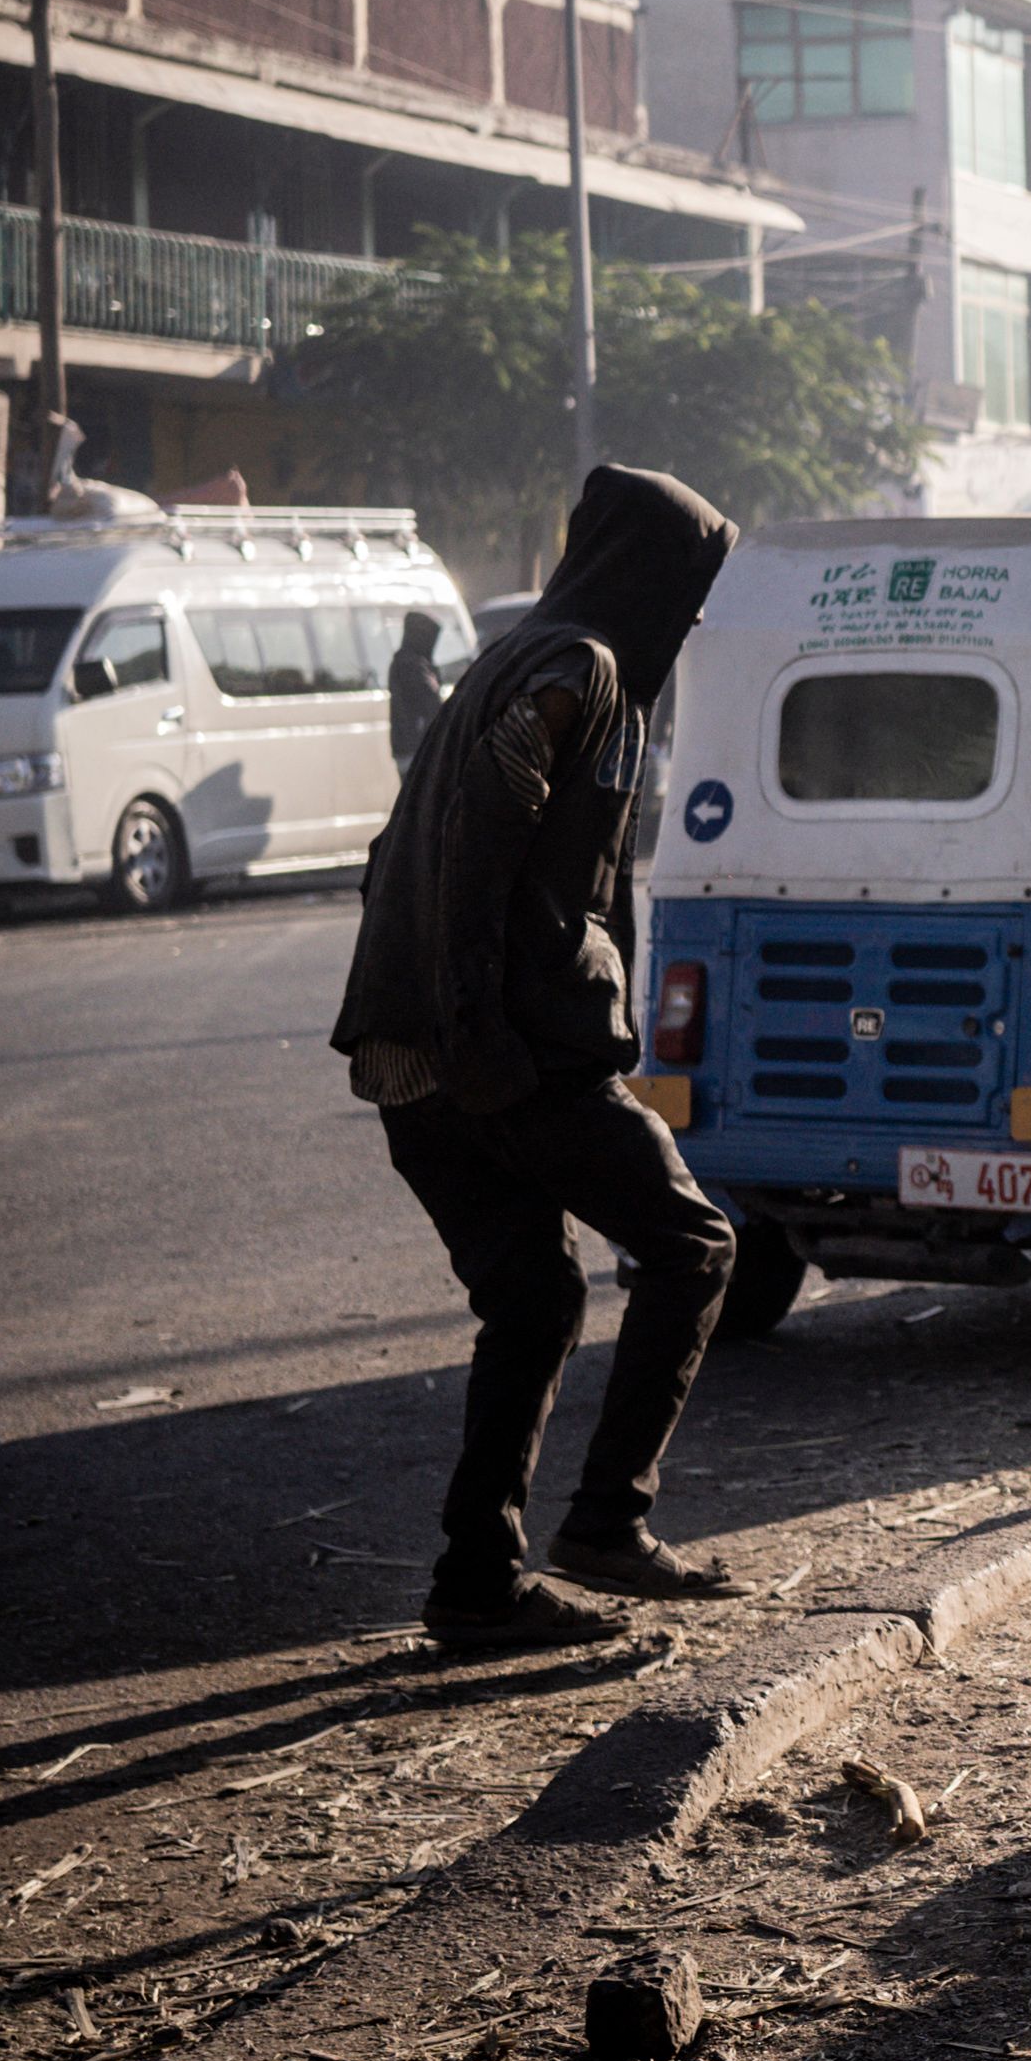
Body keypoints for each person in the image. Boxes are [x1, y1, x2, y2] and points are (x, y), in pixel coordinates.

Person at [331, 467, 745, 1657]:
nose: (695, 615)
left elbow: (403, 849)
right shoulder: (582, 673)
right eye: (690, 584)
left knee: (534, 1299)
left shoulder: (514, 657)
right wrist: (487, 1046)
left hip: (415, 1055)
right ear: (647, 576)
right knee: (693, 1243)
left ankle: (476, 1581)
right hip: (493, 1055)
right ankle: (607, 1525)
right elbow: (474, 848)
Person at [385, 609, 449, 775]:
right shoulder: (412, 665)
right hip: (417, 747)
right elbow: (430, 703)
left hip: (408, 747)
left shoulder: (403, 661)